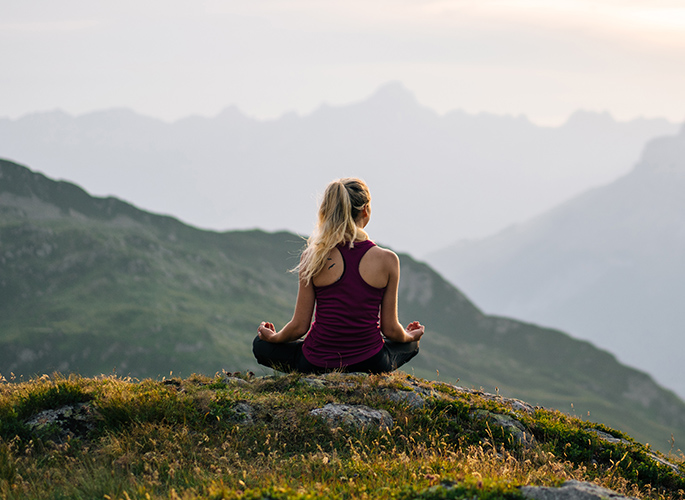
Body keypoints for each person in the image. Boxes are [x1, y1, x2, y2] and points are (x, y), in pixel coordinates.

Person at [252, 177, 424, 374]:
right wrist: (412, 336)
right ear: (365, 210)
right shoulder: (388, 260)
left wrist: (273, 338)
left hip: (316, 363)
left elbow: (299, 327)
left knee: (260, 345)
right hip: (371, 362)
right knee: (410, 346)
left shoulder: (313, 256)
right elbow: (391, 330)